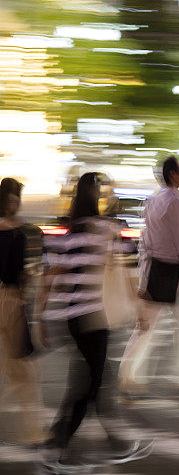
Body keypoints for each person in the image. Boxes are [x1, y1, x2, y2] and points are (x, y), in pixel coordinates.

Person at [36, 173, 152, 467]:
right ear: (96, 195)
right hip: (95, 318)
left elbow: (52, 278)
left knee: (92, 380)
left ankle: (107, 443)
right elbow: (127, 271)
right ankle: (56, 449)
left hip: (71, 319)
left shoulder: (68, 233)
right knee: (91, 384)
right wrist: (139, 307)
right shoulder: (107, 229)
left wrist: (39, 318)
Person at [119, 156, 179, 395]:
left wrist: (144, 274)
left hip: (154, 268)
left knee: (146, 327)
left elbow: (146, 239)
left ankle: (127, 376)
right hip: (170, 272)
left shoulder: (154, 199)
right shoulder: (177, 201)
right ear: (173, 175)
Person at [0, 178, 46, 444]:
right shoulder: (20, 232)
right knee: (26, 372)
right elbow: (27, 274)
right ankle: (34, 432)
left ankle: (35, 430)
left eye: (17, 196)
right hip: (12, 302)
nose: (15, 202)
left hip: (11, 299)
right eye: (12, 196)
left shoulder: (23, 231)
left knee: (20, 371)